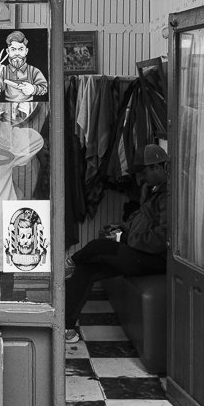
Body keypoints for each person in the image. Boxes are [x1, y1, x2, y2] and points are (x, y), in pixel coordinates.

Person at [63, 142, 169, 342]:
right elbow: (142, 220)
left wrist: (127, 238)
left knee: (99, 247)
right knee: (86, 270)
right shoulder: (154, 190)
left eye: (143, 172)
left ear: (157, 168)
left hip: (154, 259)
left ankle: (68, 262)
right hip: (141, 252)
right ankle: (66, 327)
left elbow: (161, 239)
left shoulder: (169, 196)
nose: (141, 178)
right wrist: (122, 228)